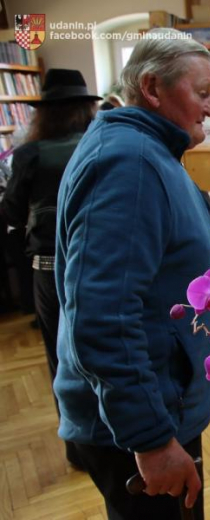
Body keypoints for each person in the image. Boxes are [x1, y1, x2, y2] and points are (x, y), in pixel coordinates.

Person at [54, 28, 210, 520]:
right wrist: (150, 440)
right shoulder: (131, 164)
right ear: (151, 87)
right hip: (144, 427)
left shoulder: (142, 150)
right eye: (203, 93)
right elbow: (101, 316)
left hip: (160, 405)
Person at [1, 68, 99, 469]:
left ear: (44, 113)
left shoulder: (29, 155)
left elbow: (9, 212)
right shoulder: (100, 143)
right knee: (102, 347)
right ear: (85, 108)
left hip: (49, 266)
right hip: (100, 263)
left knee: (59, 358)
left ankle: (78, 450)